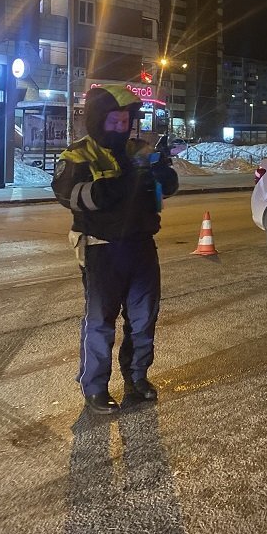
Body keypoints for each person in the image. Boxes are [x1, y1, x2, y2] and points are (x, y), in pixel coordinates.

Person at [52, 85, 179, 414]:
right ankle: (94, 388)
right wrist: (123, 182)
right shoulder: (77, 155)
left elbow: (168, 187)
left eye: (125, 121)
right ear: (98, 121)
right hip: (101, 249)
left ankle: (137, 378)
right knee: (100, 321)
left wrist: (161, 173)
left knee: (143, 319)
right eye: (114, 121)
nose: (121, 128)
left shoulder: (138, 149)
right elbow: (70, 195)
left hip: (141, 245)